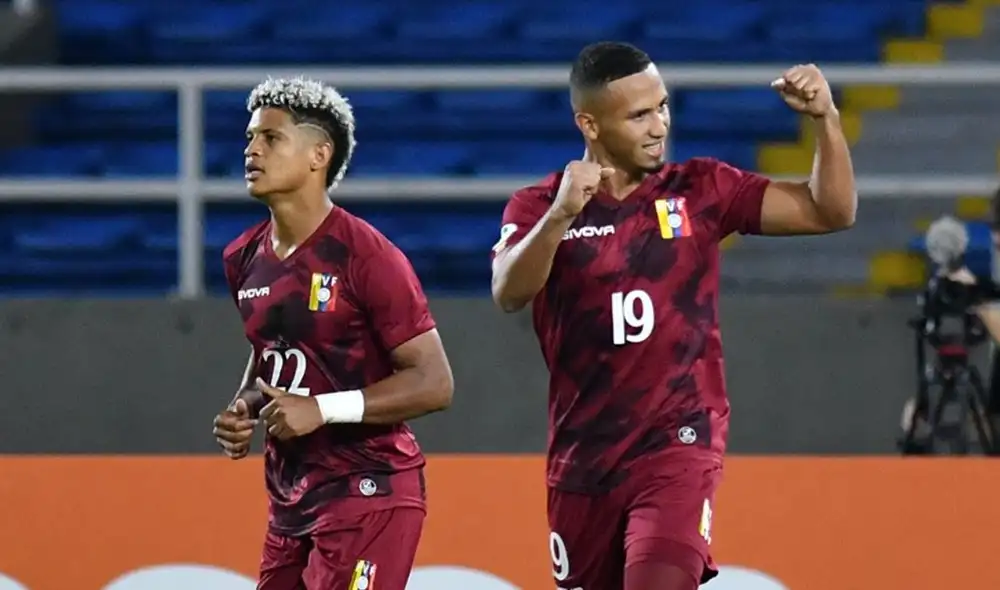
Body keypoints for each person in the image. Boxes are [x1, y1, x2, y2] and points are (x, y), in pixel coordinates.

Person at [490, 42, 856, 590]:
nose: (659, 124)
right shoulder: (539, 205)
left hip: (677, 443)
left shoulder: (701, 189)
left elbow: (831, 210)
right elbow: (509, 291)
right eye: (638, 115)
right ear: (589, 124)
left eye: (662, 106)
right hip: (583, 460)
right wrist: (562, 216)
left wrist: (826, 119)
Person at [211, 77, 454, 590]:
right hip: (290, 500)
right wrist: (244, 406)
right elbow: (274, 353)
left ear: (319, 154)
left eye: (270, 138)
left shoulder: (367, 255)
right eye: (249, 139)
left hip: (369, 489)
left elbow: (434, 383)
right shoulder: (242, 258)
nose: (251, 150)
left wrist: (322, 409)